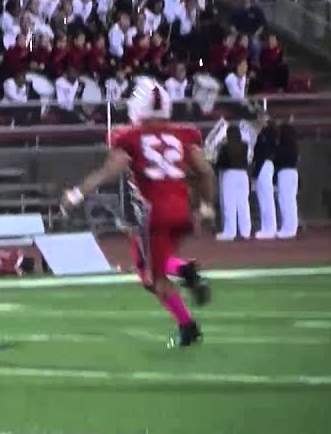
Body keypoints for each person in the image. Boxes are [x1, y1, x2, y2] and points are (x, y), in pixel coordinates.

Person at [63, 77, 215, 348]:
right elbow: (204, 171)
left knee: (151, 278)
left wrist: (76, 194)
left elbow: (109, 171)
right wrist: (204, 206)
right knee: (150, 265)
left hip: (153, 213)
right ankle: (185, 281)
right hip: (181, 210)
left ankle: (188, 320)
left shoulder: (130, 136)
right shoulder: (182, 133)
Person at [210, 119, 251, 242]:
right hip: (243, 174)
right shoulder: (245, 145)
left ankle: (230, 231)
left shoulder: (225, 146)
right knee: (243, 204)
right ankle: (245, 231)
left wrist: (215, 166)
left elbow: (221, 162)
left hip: (230, 174)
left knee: (230, 204)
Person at [274, 121, 299, 239]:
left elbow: (277, 160)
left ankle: (287, 229)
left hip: (285, 173)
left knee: (285, 201)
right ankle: (291, 228)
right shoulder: (294, 145)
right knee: (291, 202)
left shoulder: (281, 146)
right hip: (293, 173)